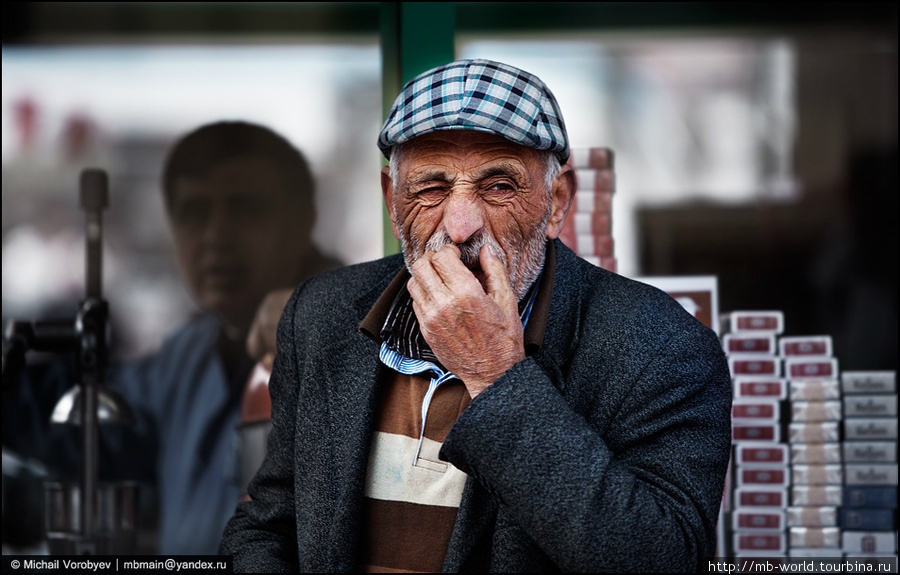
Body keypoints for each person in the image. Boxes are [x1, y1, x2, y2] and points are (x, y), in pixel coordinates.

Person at [219, 60, 732, 572]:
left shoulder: (661, 345)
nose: (461, 226)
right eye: (431, 188)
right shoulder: (320, 315)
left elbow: (663, 558)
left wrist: (496, 375)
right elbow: (269, 524)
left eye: (499, 186)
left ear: (556, 203)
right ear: (392, 200)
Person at [2, 121, 340, 555]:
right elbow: (89, 416)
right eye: (195, 213)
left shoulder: (361, 341)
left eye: (247, 210)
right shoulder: (189, 355)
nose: (217, 237)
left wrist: (321, 314)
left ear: (303, 219)